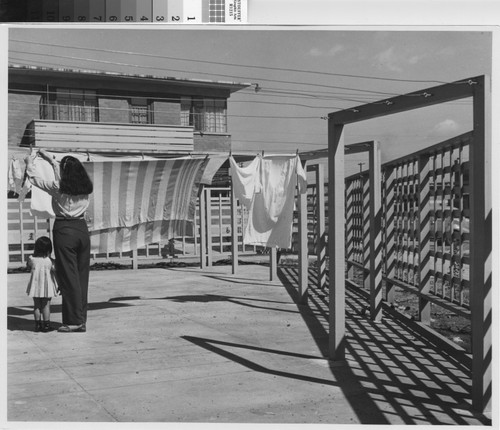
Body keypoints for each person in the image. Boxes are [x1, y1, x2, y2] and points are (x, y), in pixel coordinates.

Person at [25, 149, 93, 333]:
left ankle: (73, 321)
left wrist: (29, 161)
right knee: (81, 277)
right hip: (82, 230)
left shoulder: (58, 187)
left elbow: (33, 178)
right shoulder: (85, 187)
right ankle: (81, 319)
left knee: (69, 278)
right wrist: (51, 160)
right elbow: (62, 174)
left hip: (65, 230)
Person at [26, 236, 59, 332]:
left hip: (35, 286)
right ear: (49, 249)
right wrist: (59, 284)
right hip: (47, 287)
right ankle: (47, 325)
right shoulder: (50, 261)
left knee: (36, 305)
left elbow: (28, 266)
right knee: (46, 305)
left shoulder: (31, 259)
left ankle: (37, 325)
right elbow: (56, 272)